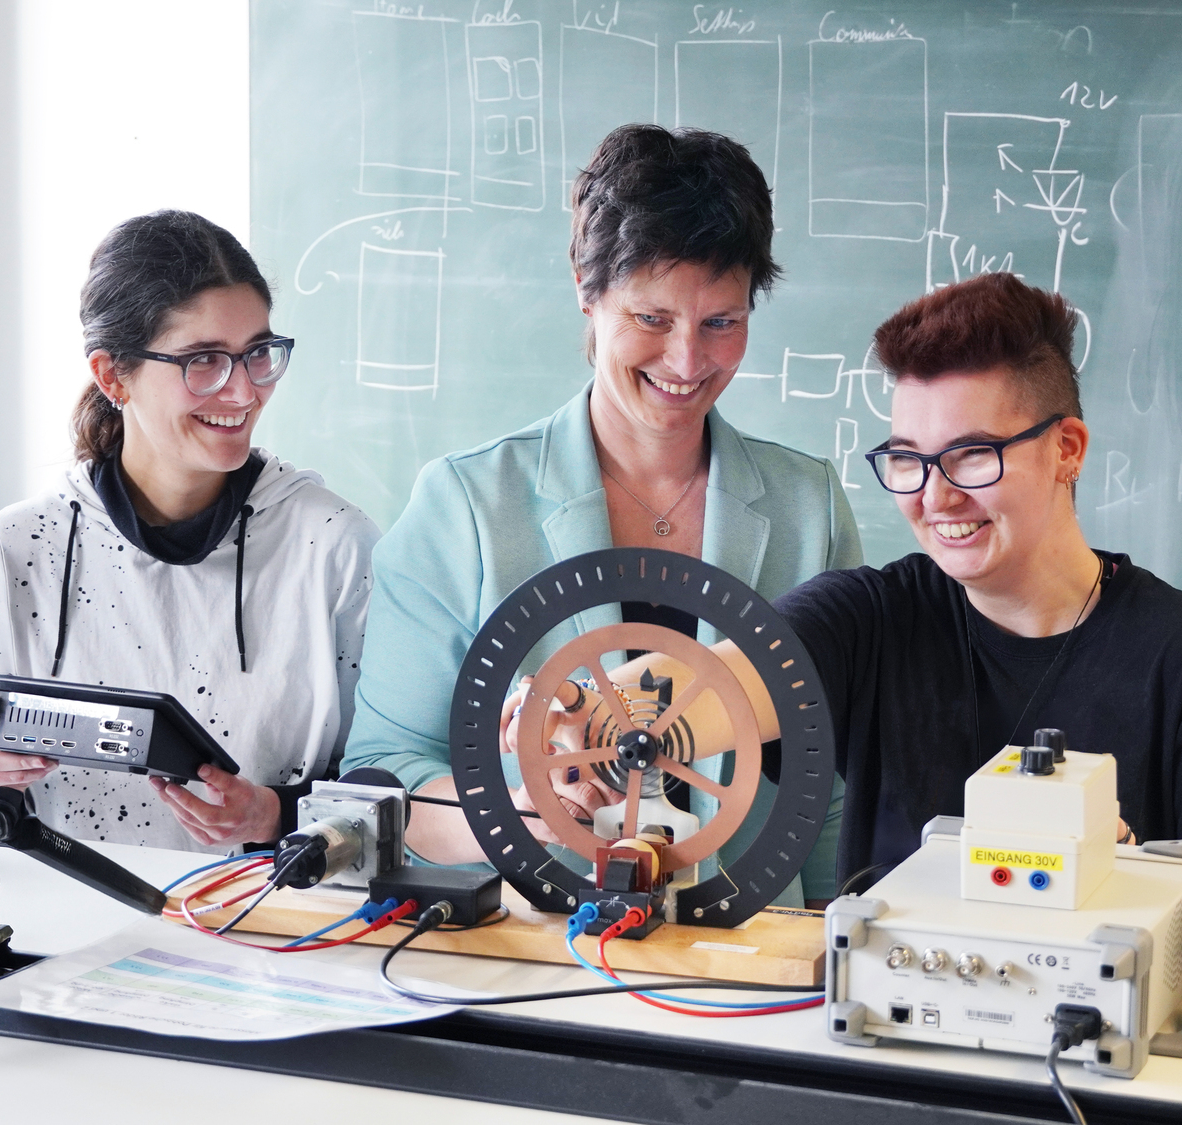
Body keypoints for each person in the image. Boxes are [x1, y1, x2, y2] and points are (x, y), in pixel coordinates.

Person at [526, 273, 1182, 973]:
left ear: (1066, 450)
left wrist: (1112, 888)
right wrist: (577, 707)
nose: (936, 496)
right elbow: (716, 681)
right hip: (891, 1055)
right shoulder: (872, 619)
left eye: (972, 456)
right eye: (909, 460)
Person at [341, 125, 861, 904]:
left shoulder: (806, 508)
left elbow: (827, 785)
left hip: (749, 966)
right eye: (651, 319)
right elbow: (384, 776)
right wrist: (508, 816)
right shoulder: (466, 506)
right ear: (586, 288)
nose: (687, 362)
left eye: (721, 322)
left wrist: (827, 956)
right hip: (533, 954)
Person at [0, 210, 381, 851]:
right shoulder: (22, 544)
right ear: (113, 375)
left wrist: (279, 815)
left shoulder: (335, 545)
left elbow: (394, 771)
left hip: (271, 922)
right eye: (203, 360)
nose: (243, 390)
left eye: (257, 353)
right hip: (65, 921)